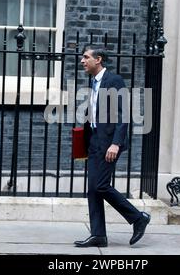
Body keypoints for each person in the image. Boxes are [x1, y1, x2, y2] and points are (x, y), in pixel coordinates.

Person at [74, 44, 150, 248]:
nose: (82, 61)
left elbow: (123, 115)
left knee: (101, 185)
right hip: (94, 141)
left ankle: (137, 218)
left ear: (98, 59)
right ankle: (98, 235)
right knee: (93, 189)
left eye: (86, 57)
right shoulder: (93, 81)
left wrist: (116, 143)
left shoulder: (114, 80)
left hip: (109, 143)